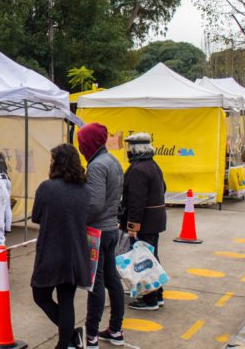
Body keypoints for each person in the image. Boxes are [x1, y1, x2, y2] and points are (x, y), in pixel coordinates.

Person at [31, 144, 90, 349]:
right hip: (75, 252)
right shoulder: (84, 189)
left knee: (40, 295)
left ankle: (69, 339)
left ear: (58, 162)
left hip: (51, 251)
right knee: (66, 300)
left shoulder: (46, 188)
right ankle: (68, 341)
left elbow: (36, 217)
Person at [77, 123, 125, 348]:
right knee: (112, 280)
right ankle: (115, 329)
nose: (80, 146)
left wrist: (78, 219)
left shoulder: (96, 166)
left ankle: (92, 335)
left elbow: (95, 204)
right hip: (111, 229)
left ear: (90, 142)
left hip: (97, 231)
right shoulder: (113, 161)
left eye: (82, 142)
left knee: (95, 284)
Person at [120, 133, 167, 311]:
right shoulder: (152, 165)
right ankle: (157, 294)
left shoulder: (138, 169)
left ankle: (150, 299)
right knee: (152, 258)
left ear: (135, 149)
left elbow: (136, 201)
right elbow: (164, 187)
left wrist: (132, 225)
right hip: (155, 220)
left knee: (144, 260)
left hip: (145, 222)